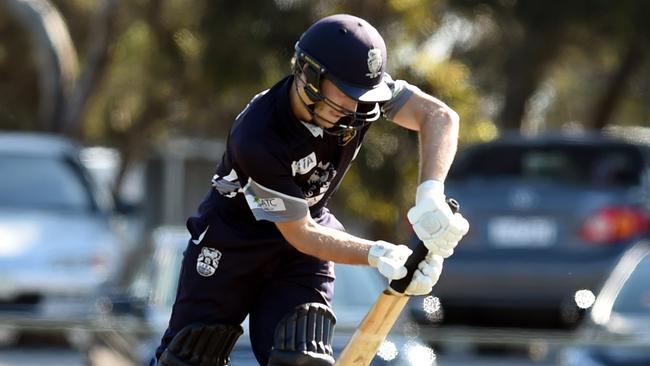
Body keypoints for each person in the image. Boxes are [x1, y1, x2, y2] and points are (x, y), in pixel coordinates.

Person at [153, 13, 469, 366]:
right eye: (344, 98)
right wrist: (379, 253)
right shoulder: (258, 135)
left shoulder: (361, 101)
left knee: (301, 358)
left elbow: (439, 117)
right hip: (233, 240)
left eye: (362, 99)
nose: (354, 111)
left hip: (303, 247)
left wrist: (430, 195)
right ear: (308, 75)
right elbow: (299, 232)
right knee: (188, 357)